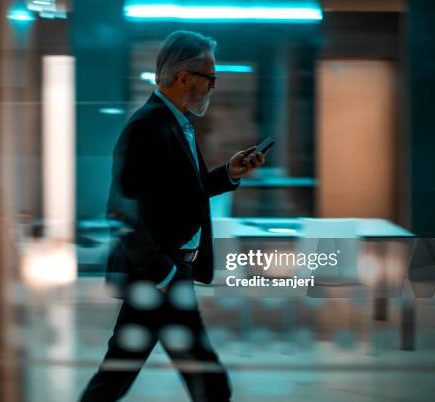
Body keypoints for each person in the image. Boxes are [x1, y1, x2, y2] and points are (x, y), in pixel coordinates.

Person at [80, 30, 266, 402]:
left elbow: (189, 192)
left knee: (123, 375)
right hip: (158, 274)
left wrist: (229, 173)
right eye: (210, 78)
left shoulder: (178, 124)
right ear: (183, 77)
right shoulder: (145, 127)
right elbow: (120, 212)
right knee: (207, 384)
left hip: (166, 274)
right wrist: (163, 274)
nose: (214, 86)